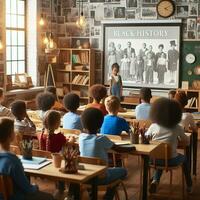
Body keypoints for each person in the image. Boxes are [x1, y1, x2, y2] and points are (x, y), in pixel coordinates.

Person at [79, 107, 134, 200]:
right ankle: (108, 197)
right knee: (123, 171)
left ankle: (92, 194)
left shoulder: (81, 137)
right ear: (100, 125)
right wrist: (133, 147)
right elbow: (118, 149)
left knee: (107, 170)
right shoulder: (101, 139)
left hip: (86, 176)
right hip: (101, 177)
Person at [145, 98, 192, 194]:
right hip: (171, 160)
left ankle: (155, 181)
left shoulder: (153, 126)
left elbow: (145, 137)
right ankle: (189, 185)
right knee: (184, 158)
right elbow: (186, 140)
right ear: (176, 114)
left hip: (153, 159)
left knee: (161, 156)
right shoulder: (177, 127)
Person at [0, 117, 54, 200]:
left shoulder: (6, 159)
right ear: (10, 135)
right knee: (49, 197)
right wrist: (36, 187)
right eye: (13, 130)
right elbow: (28, 190)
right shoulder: (12, 161)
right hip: (19, 197)